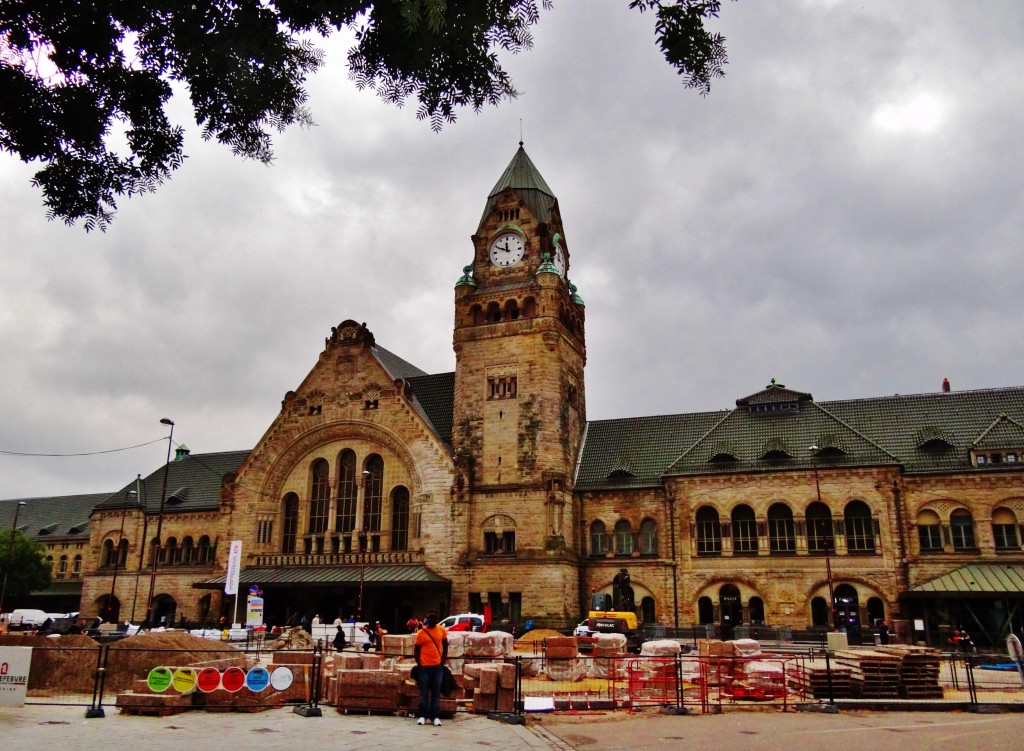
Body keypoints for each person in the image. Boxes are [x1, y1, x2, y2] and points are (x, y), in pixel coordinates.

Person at [414, 611, 448, 727]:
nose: (432, 620)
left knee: (436, 693)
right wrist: (419, 664)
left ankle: (435, 717)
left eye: (434, 618)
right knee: (423, 693)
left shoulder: (442, 630)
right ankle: (422, 716)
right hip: (424, 667)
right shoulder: (421, 633)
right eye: (430, 618)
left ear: (437, 619)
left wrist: (442, 662)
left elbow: (445, 646)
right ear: (428, 619)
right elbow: (416, 650)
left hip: (437, 667)